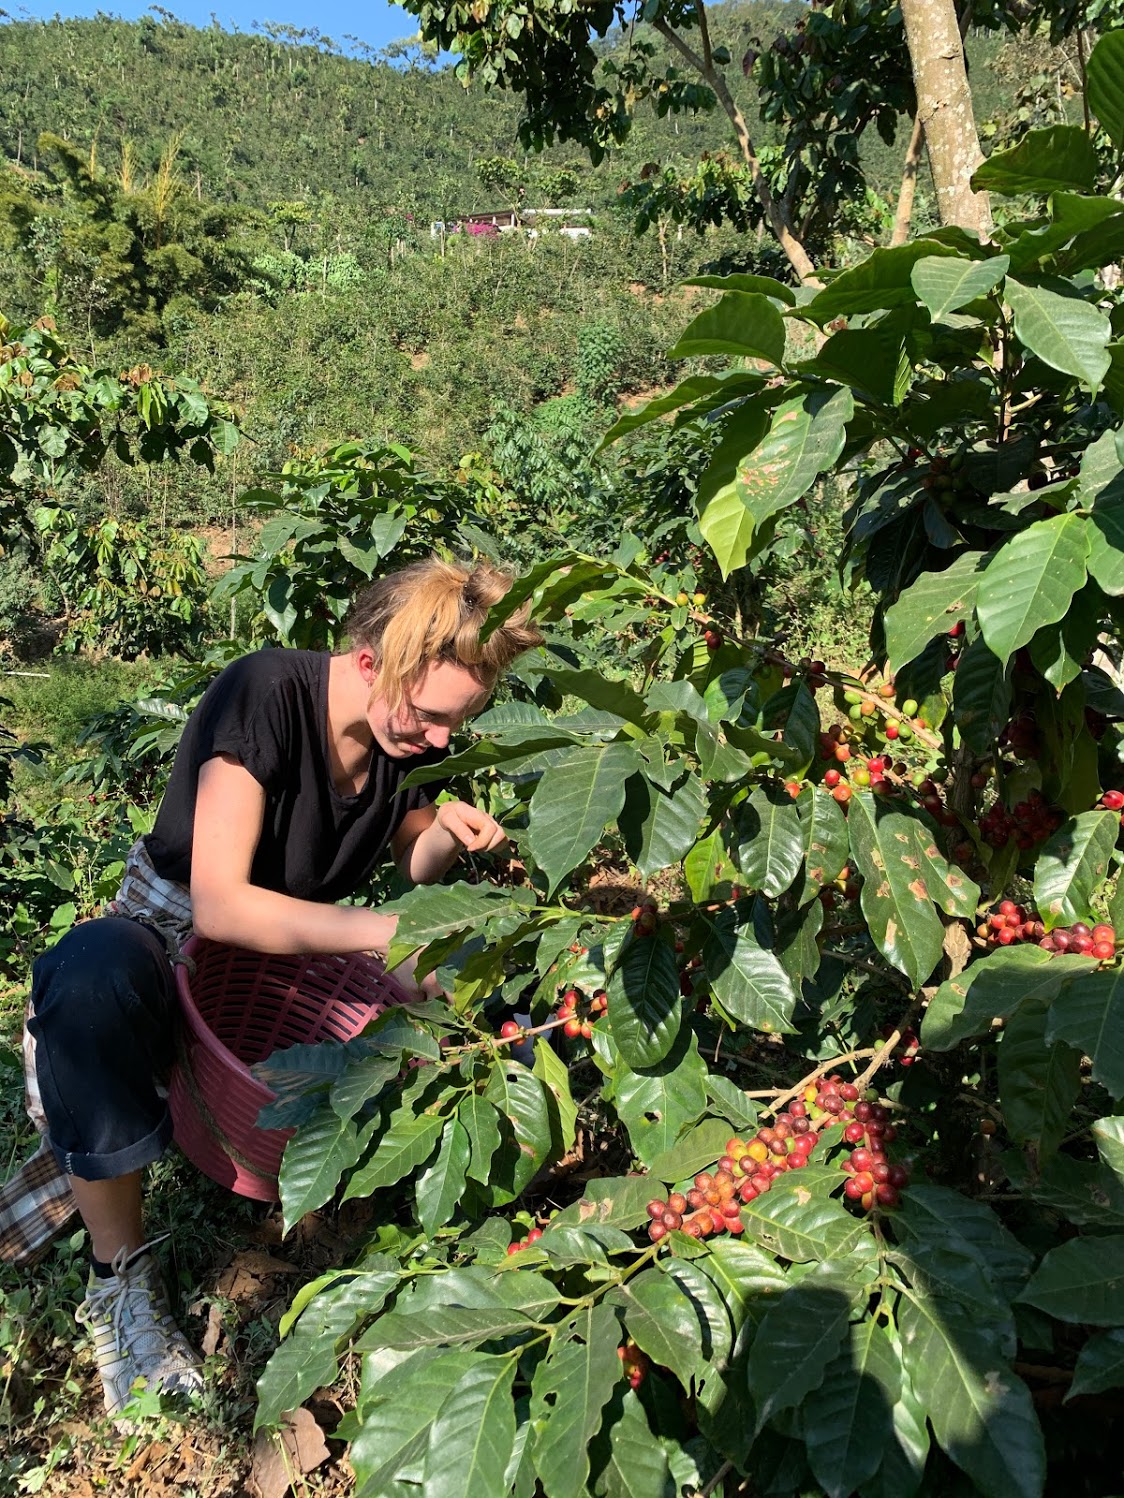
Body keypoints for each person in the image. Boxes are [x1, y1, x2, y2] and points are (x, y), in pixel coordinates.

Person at [7, 557, 541, 1427]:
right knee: (90, 974)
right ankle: (120, 1282)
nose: (443, 740)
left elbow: (408, 856)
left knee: (467, 978)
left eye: (460, 723)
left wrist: (441, 829)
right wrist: (389, 935)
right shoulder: (264, 692)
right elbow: (221, 902)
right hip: (173, 936)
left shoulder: (397, 741)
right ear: (373, 662)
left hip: (273, 965)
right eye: (434, 718)